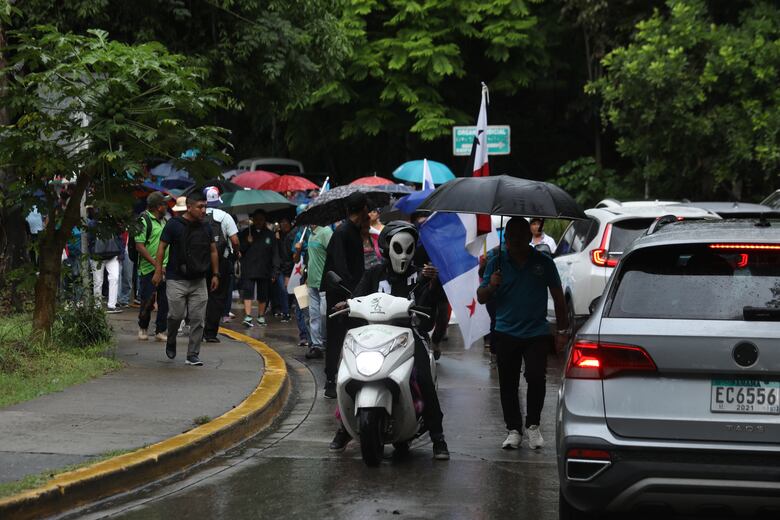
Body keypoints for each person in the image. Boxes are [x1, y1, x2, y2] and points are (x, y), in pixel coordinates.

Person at [328, 221, 450, 460]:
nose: (403, 255)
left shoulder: (422, 275)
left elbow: (429, 311)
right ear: (386, 246)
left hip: (409, 333)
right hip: (373, 333)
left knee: (424, 377)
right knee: (348, 369)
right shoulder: (374, 273)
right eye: (398, 247)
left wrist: (433, 284)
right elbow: (358, 297)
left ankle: (438, 436)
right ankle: (345, 426)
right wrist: (347, 304)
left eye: (408, 248)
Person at [476, 218, 569, 450]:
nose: (516, 240)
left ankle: (533, 425)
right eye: (511, 236)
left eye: (521, 235)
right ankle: (513, 429)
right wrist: (492, 285)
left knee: (536, 377)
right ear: (505, 238)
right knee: (508, 383)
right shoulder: (496, 262)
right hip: (505, 332)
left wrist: (562, 331)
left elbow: (559, 297)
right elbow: (481, 296)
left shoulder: (544, 262)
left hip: (536, 332)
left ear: (529, 237)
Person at [152, 191, 219, 366]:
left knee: (198, 319)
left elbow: (213, 250)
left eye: (205, 207)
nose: (203, 210)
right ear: (189, 207)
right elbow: (161, 247)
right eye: (200, 207)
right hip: (176, 279)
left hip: (199, 280)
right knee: (176, 315)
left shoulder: (206, 227)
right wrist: (158, 271)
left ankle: (193, 354)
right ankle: (171, 338)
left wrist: (215, 274)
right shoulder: (174, 225)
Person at [322, 192, 369, 398]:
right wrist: (350, 294)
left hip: (355, 294)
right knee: (336, 337)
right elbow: (340, 267)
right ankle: (330, 380)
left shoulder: (355, 231)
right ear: (363, 209)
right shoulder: (342, 232)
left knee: (360, 335)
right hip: (341, 295)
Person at [203, 187, 240, 343]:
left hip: (200, 262)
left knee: (199, 295)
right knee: (217, 297)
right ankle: (210, 333)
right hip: (221, 262)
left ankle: (197, 328)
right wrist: (236, 253)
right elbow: (235, 241)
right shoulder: (225, 217)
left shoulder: (199, 216)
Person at [134, 191, 171, 342]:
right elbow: (139, 246)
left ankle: (160, 330)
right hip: (148, 269)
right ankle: (143, 327)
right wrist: (156, 265)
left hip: (165, 268)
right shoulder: (143, 221)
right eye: (164, 204)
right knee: (147, 300)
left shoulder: (164, 221)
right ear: (158, 207)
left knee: (164, 301)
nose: (167, 206)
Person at [238, 209, 279, 327]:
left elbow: (275, 254)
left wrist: (275, 270)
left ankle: (261, 316)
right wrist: (247, 242)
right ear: (253, 220)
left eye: (261, 219)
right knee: (248, 292)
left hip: (264, 268)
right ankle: (248, 316)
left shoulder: (270, 235)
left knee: (263, 294)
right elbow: (240, 250)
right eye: (256, 219)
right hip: (249, 268)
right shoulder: (246, 233)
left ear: (264, 220)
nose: (258, 221)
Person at [303, 223, 332, 359]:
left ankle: (326, 342)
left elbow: (333, 254)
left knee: (324, 314)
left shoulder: (326, 232)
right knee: (313, 315)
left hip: (323, 282)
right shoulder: (310, 234)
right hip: (312, 282)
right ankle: (317, 345)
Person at [87, 212, 123, 314]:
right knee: (98, 281)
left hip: (109, 254)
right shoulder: (93, 224)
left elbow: (118, 237)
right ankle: (98, 306)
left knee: (113, 278)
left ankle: (111, 305)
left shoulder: (111, 222)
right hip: (101, 255)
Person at [273, 217, 294, 323]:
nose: (283, 224)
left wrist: (287, 274)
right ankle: (285, 312)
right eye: (282, 222)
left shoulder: (292, 235)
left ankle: (287, 310)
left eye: (286, 222)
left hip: (291, 267)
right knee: (283, 289)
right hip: (280, 267)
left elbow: (288, 256)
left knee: (289, 290)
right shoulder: (277, 236)